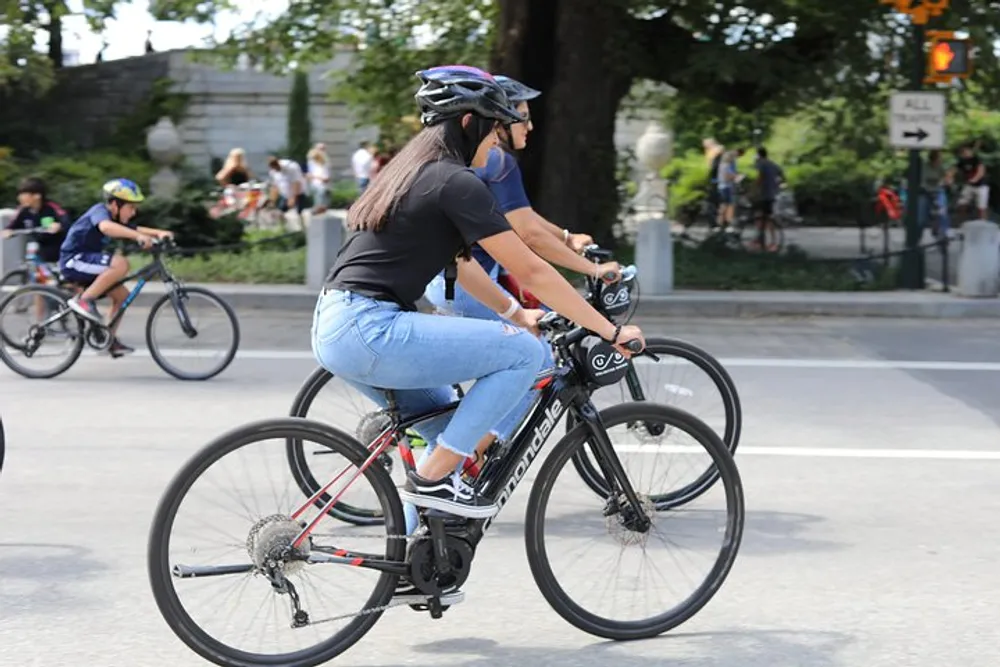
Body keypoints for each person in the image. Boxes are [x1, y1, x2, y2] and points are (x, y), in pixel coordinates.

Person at [313, 65, 644, 526]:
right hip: (371, 328)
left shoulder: (412, 173)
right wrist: (608, 329)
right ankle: (436, 481)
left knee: (448, 436)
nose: (496, 146)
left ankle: (412, 562)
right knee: (523, 356)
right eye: (494, 132)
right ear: (470, 123)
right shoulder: (455, 181)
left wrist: (516, 311)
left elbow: (462, 266)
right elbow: (529, 267)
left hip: (337, 325)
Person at [423, 74, 622, 471]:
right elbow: (527, 236)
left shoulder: (488, 160)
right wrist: (592, 270)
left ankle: (455, 444)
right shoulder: (496, 162)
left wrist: (566, 238)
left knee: (513, 357)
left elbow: (524, 219)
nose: (530, 126)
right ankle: (470, 456)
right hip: (465, 285)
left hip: (457, 280)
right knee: (535, 365)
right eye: (522, 117)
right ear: (497, 119)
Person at [62, 179, 174, 357]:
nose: (134, 212)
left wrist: (158, 233)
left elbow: (134, 227)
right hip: (74, 260)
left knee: (122, 296)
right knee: (120, 263)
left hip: (88, 262)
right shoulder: (100, 211)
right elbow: (106, 228)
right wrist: (138, 237)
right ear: (114, 204)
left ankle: (108, 340)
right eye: (130, 207)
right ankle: (84, 300)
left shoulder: (114, 217)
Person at [2, 177, 69, 266]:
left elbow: (65, 221)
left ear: (37, 195)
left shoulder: (51, 208)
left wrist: (58, 226)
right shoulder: (23, 211)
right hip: (40, 248)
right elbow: (13, 225)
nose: (20, 198)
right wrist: (8, 231)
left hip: (59, 249)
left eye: (24, 194)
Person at [955, 142, 989, 221]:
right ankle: (962, 222)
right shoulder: (962, 161)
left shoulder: (976, 159)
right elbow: (954, 170)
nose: (965, 154)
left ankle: (983, 222)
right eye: (963, 152)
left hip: (981, 186)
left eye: (967, 151)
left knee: (981, 207)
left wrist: (975, 179)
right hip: (969, 185)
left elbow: (981, 171)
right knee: (962, 204)